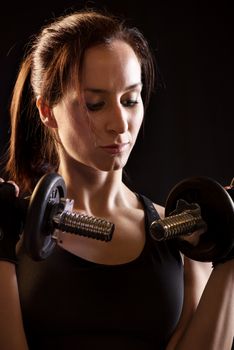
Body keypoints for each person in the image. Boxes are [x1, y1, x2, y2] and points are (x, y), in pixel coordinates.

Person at [0, 8, 233, 350]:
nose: (121, 124)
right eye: (95, 104)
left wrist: (230, 256)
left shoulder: (181, 234)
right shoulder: (12, 232)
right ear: (47, 111)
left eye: (130, 100)